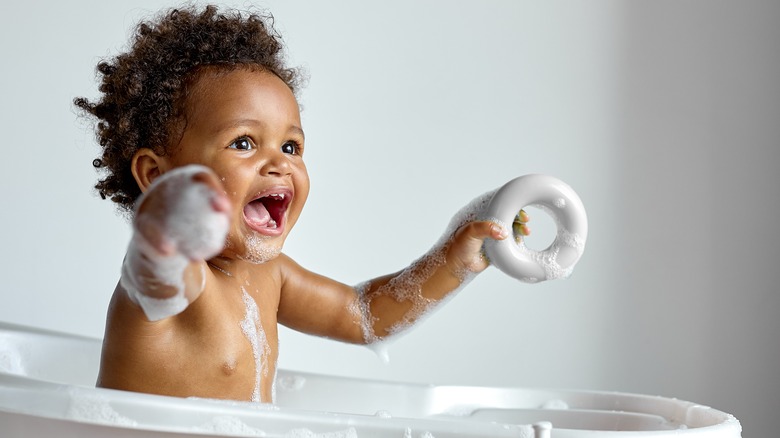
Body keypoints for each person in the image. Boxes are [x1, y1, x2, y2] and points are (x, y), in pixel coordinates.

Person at [75, 4, 530, 403]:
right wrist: (168, 221)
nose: (279, 164)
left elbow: (365, 315)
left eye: (291, 147)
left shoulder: (272, 276)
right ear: (157, 176)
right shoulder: (178, 280)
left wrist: (456, 257)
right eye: (244, 142)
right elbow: (152, 273)